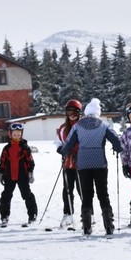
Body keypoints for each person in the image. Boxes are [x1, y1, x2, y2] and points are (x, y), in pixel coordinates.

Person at [59, 98, 122, 236]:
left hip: (83, 164)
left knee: (87, 195)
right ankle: (109, 225)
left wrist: (63, 152)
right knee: (103, 194)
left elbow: (68, 143)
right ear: (98, 113)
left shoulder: (77, 126)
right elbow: (116, 141)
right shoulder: (104, 125)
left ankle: (86, 227)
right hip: (100, 163)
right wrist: (118, 149)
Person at [0, 122, 38, 226]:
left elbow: (30, 162)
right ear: (10, 134)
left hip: (22, 175)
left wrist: (30, 172)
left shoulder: (25, 148)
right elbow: (2, 162)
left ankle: (32, 215)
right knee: (6, 195)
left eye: (19, 135)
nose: (16, 137)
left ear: (21, 135)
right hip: (9, 175)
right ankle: (4, 216)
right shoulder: (6, 149)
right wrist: (1, 173)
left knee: (27, 195)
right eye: (14, 135)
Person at [56, 99, 83, 230]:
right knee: (67, 189)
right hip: (68, 163)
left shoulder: (83, 126)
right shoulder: (63, 128)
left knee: (82, 189)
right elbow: (59, 142)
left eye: (74, 112)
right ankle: (68, 214)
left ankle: (88, 212)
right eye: (69, 112)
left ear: (79, 112)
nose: (71, 115)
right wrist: (60, 149)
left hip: (81, 163)